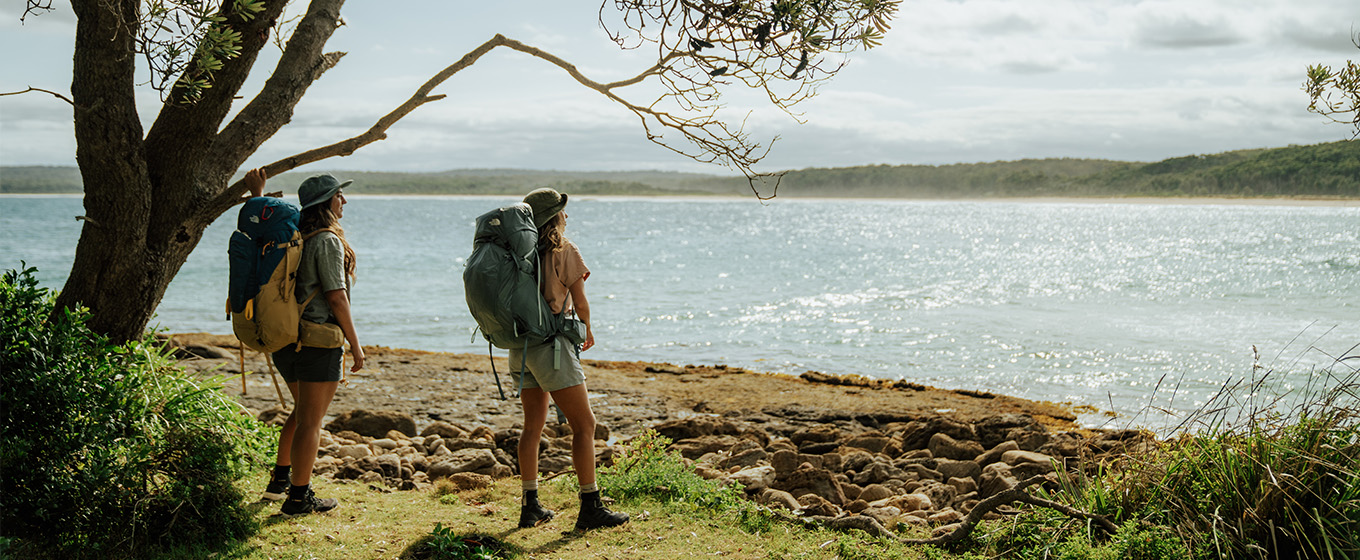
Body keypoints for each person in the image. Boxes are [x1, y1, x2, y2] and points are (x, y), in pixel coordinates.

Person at [248, 169, 366, 516]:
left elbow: (258, 224)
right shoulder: (327, 240)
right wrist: (356, 346)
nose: (343, 200)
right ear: (327, 202)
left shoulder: (293, 234)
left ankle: (279, 483)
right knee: (311, 422)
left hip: (286, 339)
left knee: (301, 414)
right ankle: (298, 499)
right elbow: (336, 297)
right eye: (338, 195)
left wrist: (258, 193)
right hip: (317, 342)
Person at [513, 188, 629, 531]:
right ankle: (590, 507)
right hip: (552, 346)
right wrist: (588, 329)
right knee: (585, 425)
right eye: (564, 211)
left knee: (532, 426)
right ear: (555, 217)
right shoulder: (564, 250)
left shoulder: (517, 251)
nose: (567, 217)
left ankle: (529, 505)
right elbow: (580, 301)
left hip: (520, 348)